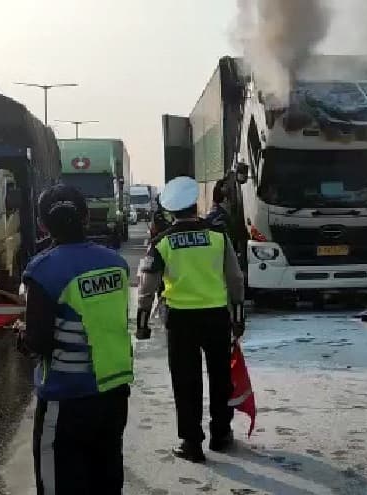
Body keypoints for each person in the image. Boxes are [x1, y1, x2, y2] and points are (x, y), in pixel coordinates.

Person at [20, 184, 134, 494]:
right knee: (106, 479)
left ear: (44, 225)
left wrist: (24, 334)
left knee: (59, 484)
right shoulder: (116, 264)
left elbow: (39, 342)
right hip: (113, 392)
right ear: (85, 217)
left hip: (65, 397)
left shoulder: (43, 270)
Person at [136, 176, 245, 463]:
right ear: (196, 206)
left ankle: (192, 443)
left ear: (171, 211)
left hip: (181, 320)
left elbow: (147, 285)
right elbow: (235, 278)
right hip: (216, 316)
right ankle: (221, 434)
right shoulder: (218, 237)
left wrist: (142, 321)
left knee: (186, 381)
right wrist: (238, 314)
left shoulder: (162, 243)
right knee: (221, 377)